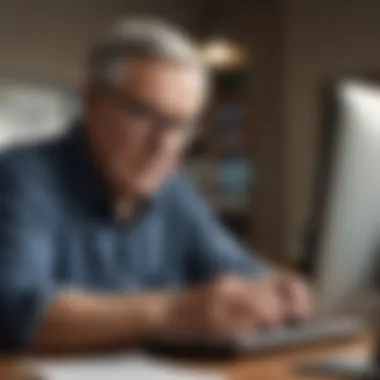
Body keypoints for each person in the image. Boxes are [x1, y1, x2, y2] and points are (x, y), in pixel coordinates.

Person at [0, 18, 312, 353]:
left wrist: (277, 293)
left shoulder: (173, 190)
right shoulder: (23, 177)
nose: (164, 146)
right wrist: (173, 312)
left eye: (182, 126)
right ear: (91, 102)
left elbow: (239, 272)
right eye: (146, 116)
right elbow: (15, 310)